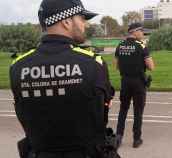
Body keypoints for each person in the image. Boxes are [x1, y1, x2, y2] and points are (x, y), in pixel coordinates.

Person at [10, 0, 118, 157]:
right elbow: (102, 113)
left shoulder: (17, 66)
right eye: (82, 18)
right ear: (66, 22)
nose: (85, 25)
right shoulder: (93, 63)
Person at [114, 22, 155, 148]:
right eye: (141, 31)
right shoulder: (141, 46)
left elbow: (116, 66)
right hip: (138, 82)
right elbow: (151, 67)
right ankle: (136, 139)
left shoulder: (120, 45)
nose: (143, 34)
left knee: (123, 110)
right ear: (134, 32)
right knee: (138, 111)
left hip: (125, 81)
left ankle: (118, 137)